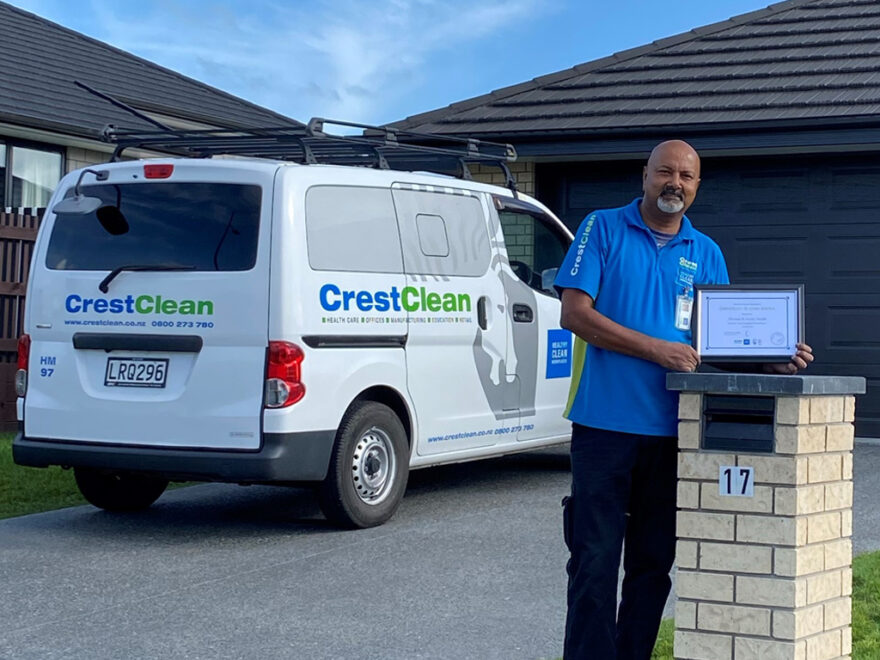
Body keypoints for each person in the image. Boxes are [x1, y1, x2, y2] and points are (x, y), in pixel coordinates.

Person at [553, 140, 813, 660]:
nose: (675, 183)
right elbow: (574, 315)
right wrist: (656, 350)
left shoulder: (706, 252)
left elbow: (716, 344)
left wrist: (771, 360)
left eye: (686, 177)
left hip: (675, 432)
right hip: (604, 427)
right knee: (594, 562)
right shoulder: (600, 228)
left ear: (696, 186)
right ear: (644, 175)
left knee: (652, 566)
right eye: (665, 172)